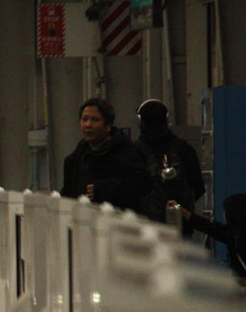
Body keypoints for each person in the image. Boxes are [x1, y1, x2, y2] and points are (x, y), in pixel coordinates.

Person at [61, 97, 151, 211]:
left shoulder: (127, 153)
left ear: (108, 125)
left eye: (95, 120)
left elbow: (143, 184)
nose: (88, 125)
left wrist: (104, 189)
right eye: (84, 119)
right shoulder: (75, 158)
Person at [134, 99, 205, 227]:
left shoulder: (133, 152)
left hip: (144, 228)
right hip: (180, 225)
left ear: (140, 122)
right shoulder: (185, 149)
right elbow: (198, 188)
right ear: (167, 119)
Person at [167, 195, 246, 283]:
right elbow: (206, 225)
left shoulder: (237, 237)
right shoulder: (231, 233)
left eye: (227, 211)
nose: (224, 214)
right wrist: (179, 208)